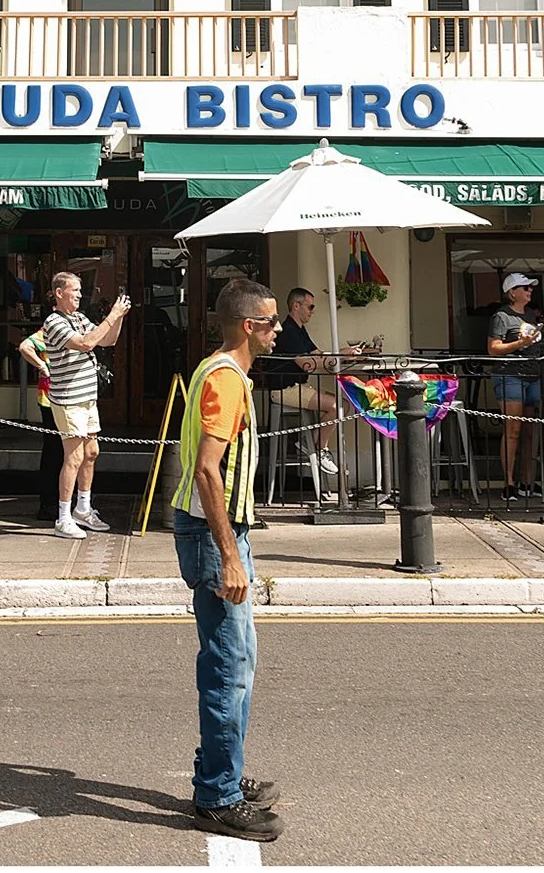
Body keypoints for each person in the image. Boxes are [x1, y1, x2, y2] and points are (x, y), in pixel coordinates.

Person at [171, 276, 284, 842]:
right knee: (227, 668)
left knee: (237, 661)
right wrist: (229, 556)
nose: (278, 329)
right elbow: (206, 470)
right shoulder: (226, 380)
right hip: (213, 534)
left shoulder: (219, 371)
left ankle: (223, 775)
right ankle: (217, 795)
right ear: (248, 326)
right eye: (271, 321)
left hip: (218, 531)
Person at [41, 271, 129, 539]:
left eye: (80, 290)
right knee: (74, 457)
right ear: (59, 293)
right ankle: (63, 518)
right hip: (69, 400)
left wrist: (119, 317)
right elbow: (86, 343)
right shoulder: (54, 321)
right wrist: (112, 315)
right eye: (75, 290)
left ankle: (82, 508)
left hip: (88, 399)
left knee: (91, 453)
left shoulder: (79, 318)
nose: (80, 295)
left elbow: (108, 340)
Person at [264, 288, 340, 482]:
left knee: (342, 404)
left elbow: (317, 354)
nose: (312, 311)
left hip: (297, 387)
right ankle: (318, 448)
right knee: (336, 407)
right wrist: (338, 359)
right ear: (296, 306)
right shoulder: (289, 331)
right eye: (310, 307)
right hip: (284, 389)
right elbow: (307, 364)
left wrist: (343, 354)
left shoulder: (298, 329)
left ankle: (310, 443)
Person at [485, 272, 544, 500]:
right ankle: (509, 482)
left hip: (532, 374)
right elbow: (493, 348)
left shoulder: (530, 314)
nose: (530, 290)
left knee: (531, 430)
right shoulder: (501, 316)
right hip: (509, 375)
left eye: (530, 287)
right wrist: (521, 343)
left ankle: (527, 480)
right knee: (513, 429)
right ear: (512, 292)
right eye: (525, 287)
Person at [16, 327, 65, 521]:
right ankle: (49, 504)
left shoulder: (77, 326)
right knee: (54, 452)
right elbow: (25, 346)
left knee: (65, 453)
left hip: (67, 398)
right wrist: (42, 366)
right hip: (50, 398)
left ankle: (59, 502)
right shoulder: (50, 330)